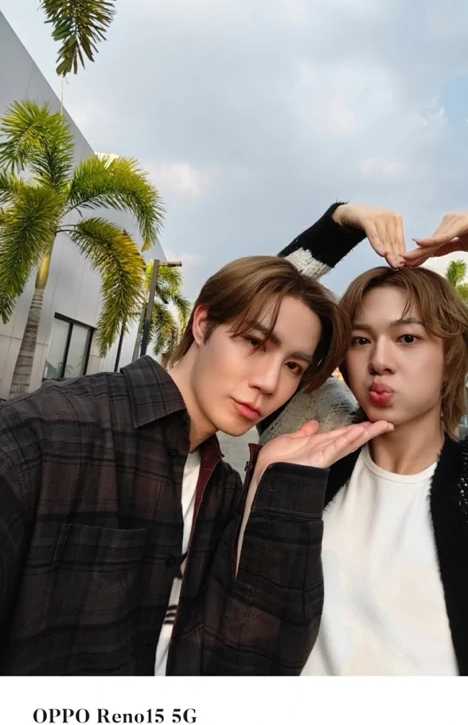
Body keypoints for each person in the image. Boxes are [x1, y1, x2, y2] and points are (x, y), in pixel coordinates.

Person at [0, 201, 392, 676]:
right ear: (202, 324)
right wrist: (338, 222)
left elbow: (262, 656)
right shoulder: (46, 434)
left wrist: (274, 489)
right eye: (254, 342)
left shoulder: (224, 490)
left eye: (293, 365)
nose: (269, 382)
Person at [254, 199, 468, 675]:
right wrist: (338, 225)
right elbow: (254, 322)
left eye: (408, 338)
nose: (379, 360)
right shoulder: (316, 437)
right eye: (360, 340)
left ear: (450, 357)